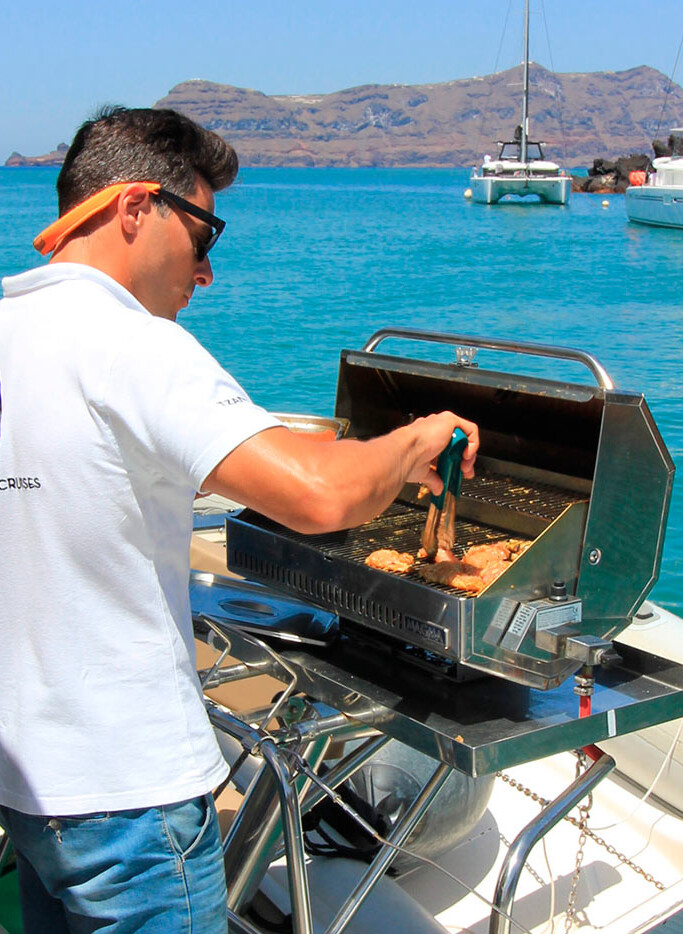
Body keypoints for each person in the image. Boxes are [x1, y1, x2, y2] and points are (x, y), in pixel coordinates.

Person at [0, 106, 479, 933]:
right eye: (206, 233)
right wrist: (419, 438)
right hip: (130, 794)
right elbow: (320, 498)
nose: (208, 271)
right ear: (135, 207)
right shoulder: (133, 344)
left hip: (33, 789)